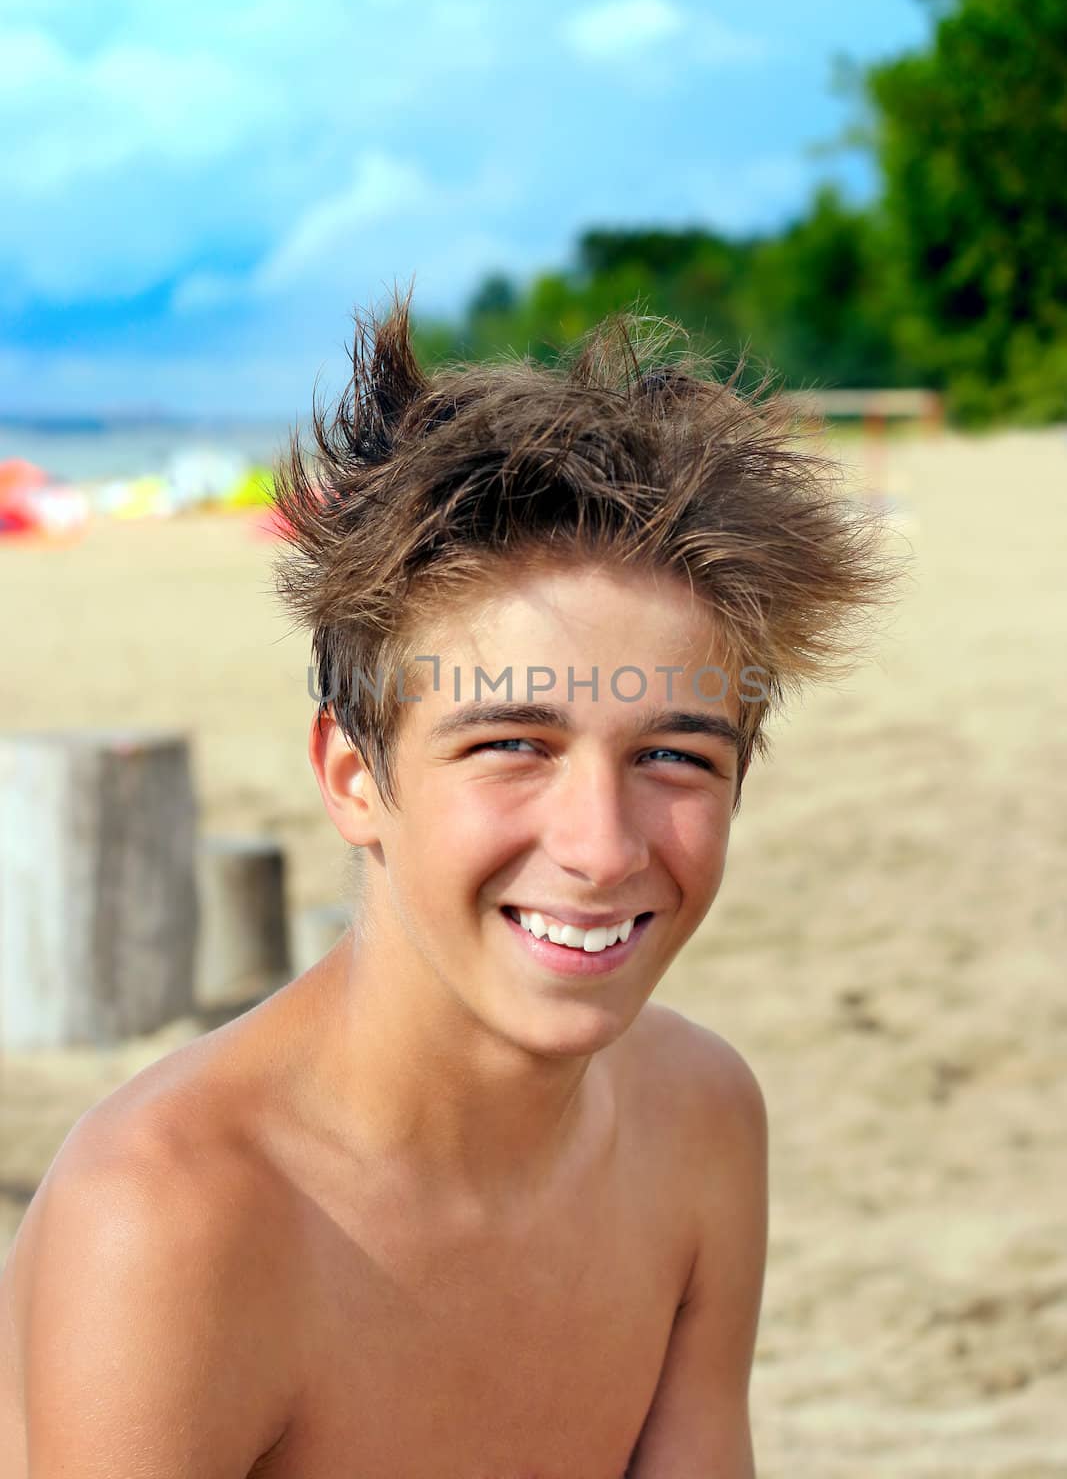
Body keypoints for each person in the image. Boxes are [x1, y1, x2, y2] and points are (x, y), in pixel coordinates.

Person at [0, 293, 895, 1477]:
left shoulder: (699, 1119)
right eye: (511, 745)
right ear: (354, 776)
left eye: (673, 756)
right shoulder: (176, 1219)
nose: (601, 845)